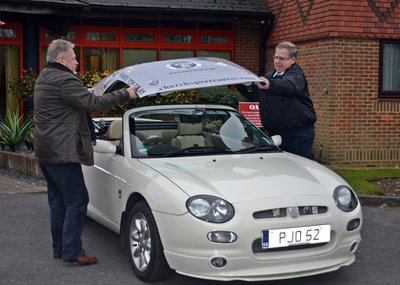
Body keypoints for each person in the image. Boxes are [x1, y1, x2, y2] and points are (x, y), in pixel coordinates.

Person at [34, 39, 139, 266]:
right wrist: (126, 94)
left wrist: (90, 91)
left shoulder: (45, 77)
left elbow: (75, 99)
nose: (77, 62)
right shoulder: (64, 79)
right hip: (62, 153)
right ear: (61, 60)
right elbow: (94, 104)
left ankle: (60, 249)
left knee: (59, 202)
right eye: (73, 58)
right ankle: (72, 251)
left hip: (46, 150)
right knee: (77, 201)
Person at [236, 41, 317, 159]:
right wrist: (243, 84)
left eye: (282, 58)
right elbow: (255, 96)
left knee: (296, 171)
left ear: (292, 60)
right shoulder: (270, 75)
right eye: (276, 57)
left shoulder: (296, 76)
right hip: (275, 135)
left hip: (297, 135)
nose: (278, 61)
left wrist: (269, 85)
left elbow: (287, 86)